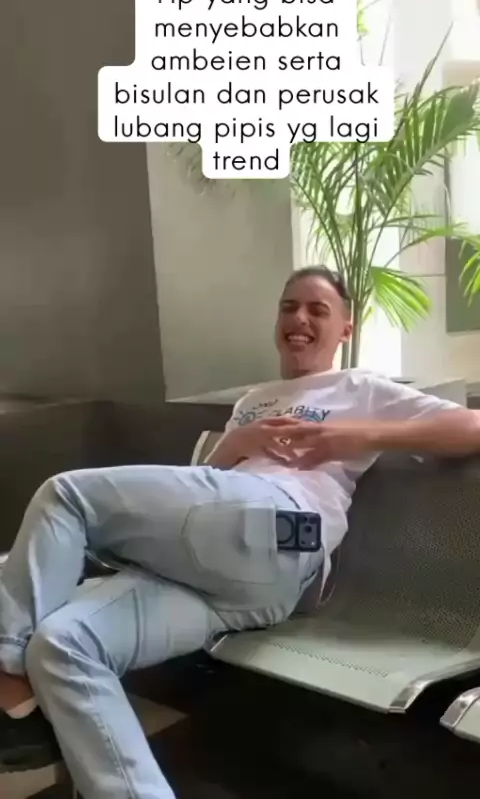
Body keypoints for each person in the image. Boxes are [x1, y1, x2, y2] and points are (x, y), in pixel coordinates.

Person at [0, 265, 479, 799]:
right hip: (229, 569)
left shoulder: (360, 388)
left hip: (287, 531)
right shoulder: (252, 401)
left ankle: (5, 674)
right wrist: (235, 443)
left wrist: (357, 436)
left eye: (318, 310)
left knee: (67, 496)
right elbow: (203, 495)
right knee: (62, 645)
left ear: (345, 328)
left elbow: (472, 426)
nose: (300, 318)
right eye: (289, 307)